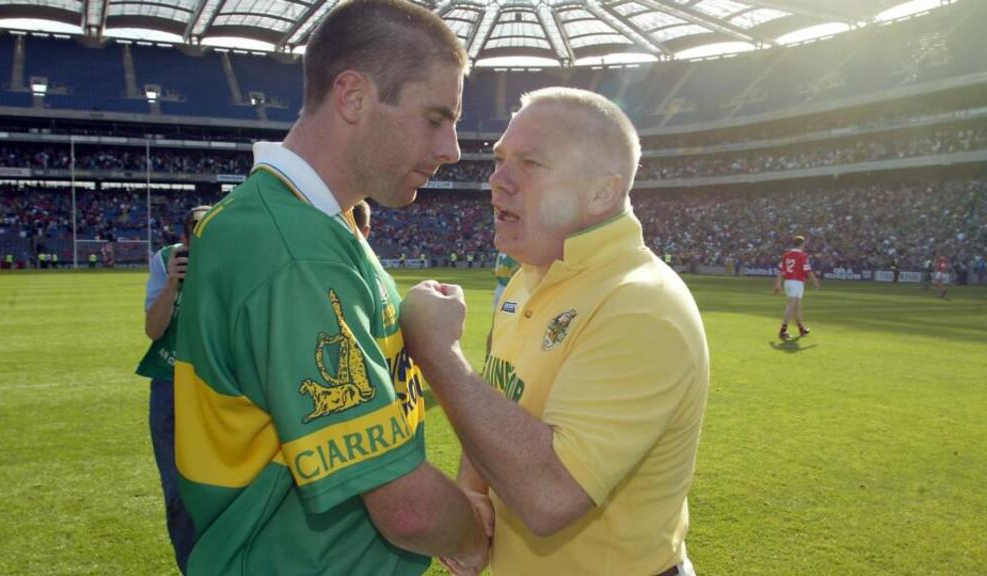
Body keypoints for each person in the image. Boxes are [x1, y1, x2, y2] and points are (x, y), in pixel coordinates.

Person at [173, 1, 488, 575]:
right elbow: (408, 509)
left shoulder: (312, 222)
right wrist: (471, 537)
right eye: (436, 118)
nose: (453, 149)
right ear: (353, 96)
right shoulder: (294, 253)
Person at [401, 87, 709, 576]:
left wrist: (438, 354)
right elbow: (498, 400)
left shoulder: (640, 306)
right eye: (500, 160)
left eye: (531, 164)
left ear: (602, 192)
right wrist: (472, 494)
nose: (498, 180)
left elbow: (552, 496)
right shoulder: (532, 274)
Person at [135, 205, 211, 574]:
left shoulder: (236, 261)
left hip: (217, 388)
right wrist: (171, 286)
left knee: (228, 486)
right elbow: (153, 330)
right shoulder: (166, 261)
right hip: (170, 385)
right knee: (178, 493)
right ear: (184, 238)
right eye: (194, 234)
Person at [773, 235, 820, 339]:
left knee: (797, 307)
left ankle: (801, 328)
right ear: (802, 244)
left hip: (788, 282)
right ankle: (783, 330)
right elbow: (807, 270)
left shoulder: (787, 255)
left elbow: (781, 270)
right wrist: (815, 281)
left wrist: (778, 283)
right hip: (796, 282)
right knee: (791, 306)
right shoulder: (802, 255)